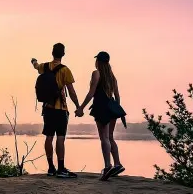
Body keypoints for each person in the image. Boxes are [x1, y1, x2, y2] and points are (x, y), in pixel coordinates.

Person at [31, 43, 80, 178]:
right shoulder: (65, 70)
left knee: (49, 136)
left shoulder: (44, 67)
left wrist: (34, 61)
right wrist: (78, 106)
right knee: (60, 137)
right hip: (60, 109)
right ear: (63, 54)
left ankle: (50, 167)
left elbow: (36, 66)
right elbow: (71, 91)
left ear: (52, 53)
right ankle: (61, 168)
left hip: (47, 108)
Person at [75, 51, 125, 181]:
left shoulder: (96, 73)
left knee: (104, 138)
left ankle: (108, 167)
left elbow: (91, 93)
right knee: (110, 137)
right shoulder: (112, 77)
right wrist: (115, 110)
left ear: (98, 61)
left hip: (101, 107)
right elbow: (118, 96)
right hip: (112, 107)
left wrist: (81, 108)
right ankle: (117, 164)